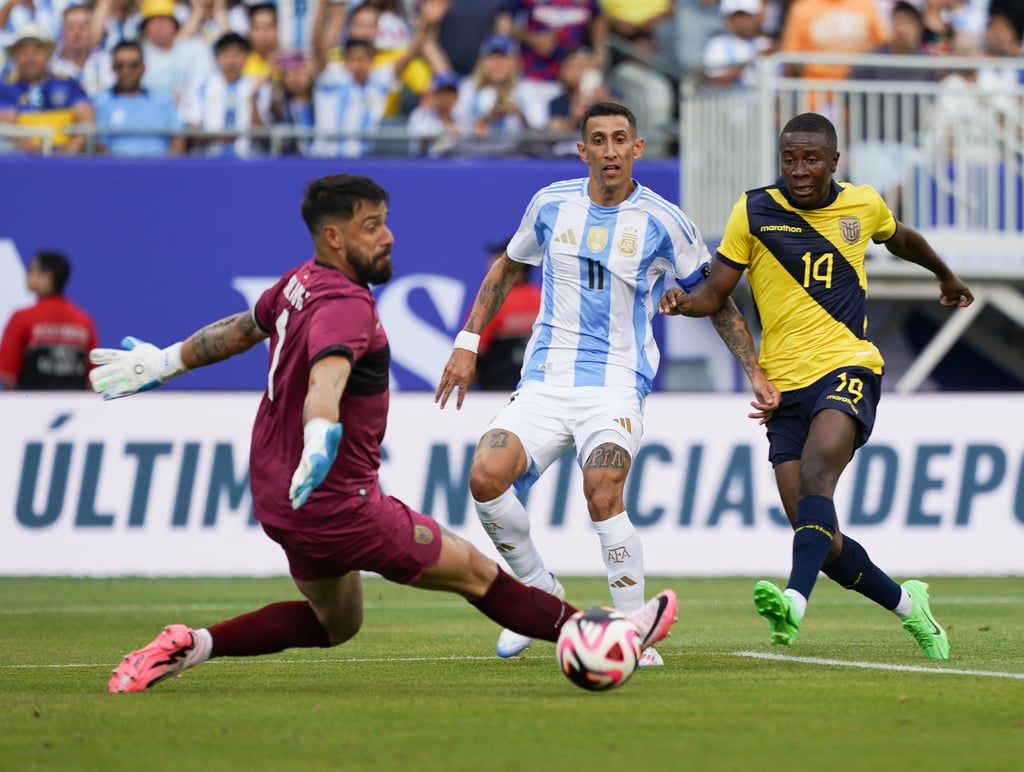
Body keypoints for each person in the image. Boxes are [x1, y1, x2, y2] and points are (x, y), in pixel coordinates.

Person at [89, 173, 678, 693]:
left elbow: (241, 329)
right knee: (476, 574)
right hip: (342, 505)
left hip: (279, 500)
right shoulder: (349, 306)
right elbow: (329, 376)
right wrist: (321, 434)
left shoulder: (298, 283)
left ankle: (189, 644)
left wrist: (164, 363)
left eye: (386, 222)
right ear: (335, 237)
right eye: (372, 226)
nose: (388, 235)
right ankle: (602, 637)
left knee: (335, 624)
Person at [435, 102, 775, 667]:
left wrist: (753, 370)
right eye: (599, 140)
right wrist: (468, 344)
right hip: (545, 380)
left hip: (617, 383)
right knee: (484, 477)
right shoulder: (550, 204)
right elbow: (507, 268)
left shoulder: (665, 222)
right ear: (583, 150)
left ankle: (630, 630)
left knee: (602, 490)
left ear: (637, 148)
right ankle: (539, 591)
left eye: (621, 139)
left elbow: (715, 296)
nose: (611, 150)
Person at [658, 112, 973, 660]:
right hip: (783, 387)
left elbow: (902, 239)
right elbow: (716, 293)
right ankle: (909, 606)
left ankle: (792, 603)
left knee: (816, 476)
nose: (799, 170)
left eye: (810, 159)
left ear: (833, 161)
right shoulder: (753, 209)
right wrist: (684, 303)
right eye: (789, 158)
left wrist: (943, 273)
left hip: (847, 366)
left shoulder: (862, 204)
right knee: (820, 539)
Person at [0, 250, 98, 390]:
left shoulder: (22, 318)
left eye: (31, 270)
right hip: (74, 408)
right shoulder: (84, 320)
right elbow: (92, 380)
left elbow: (9, 377)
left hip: (29, 408)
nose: (27, 275)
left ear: (48, 277)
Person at [0, 22, 94, 154]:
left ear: (48, 55)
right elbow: (7, 126)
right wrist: (38, 152)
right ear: (15, 57)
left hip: (66, 160)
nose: (30, 58)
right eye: (24, 52)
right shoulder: (5, 88)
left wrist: (67, 151)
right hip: (21, 162)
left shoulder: (67, 84)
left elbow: (86, 119)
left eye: (36, 52)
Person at [93, 39, 185, 156]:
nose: (127, 71)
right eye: (120, 65)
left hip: (160, 168)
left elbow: (178, 139)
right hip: (117, 170)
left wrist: (166, 170)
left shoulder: (163, 99)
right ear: (112, 68)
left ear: (143, 68)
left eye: (133, 65)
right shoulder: (101, 101)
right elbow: (99, 145)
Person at [473, 237, 541, 391]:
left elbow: (474, 351)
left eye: (498, 259)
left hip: (496, 392)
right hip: (535, 391)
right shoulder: (544, 298)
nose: (490, 263)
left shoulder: (490, 302)